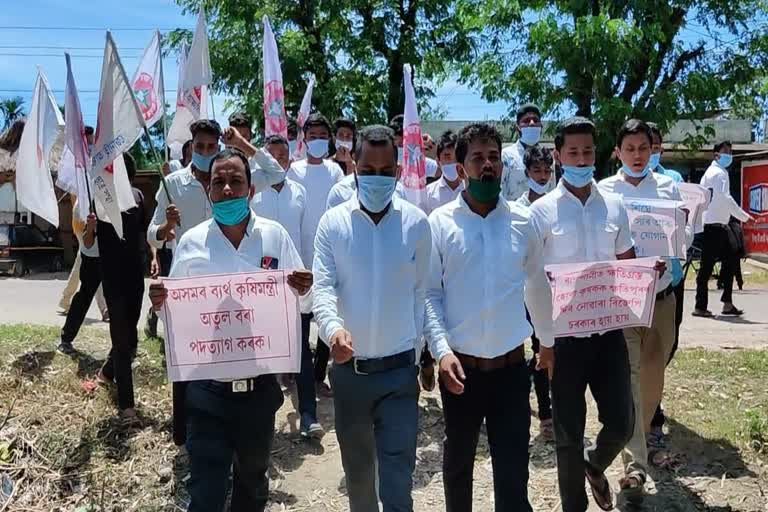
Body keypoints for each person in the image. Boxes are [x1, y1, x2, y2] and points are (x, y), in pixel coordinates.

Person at [149, 148, 313, 512]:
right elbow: (173, 320)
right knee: (205, 492)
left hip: (258, 394)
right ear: (208, 191)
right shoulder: (191, 243)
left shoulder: (276, 237)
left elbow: (301, 306)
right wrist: (161, 304)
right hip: (207, 391)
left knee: (253, 487)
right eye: (218, 182)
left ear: (251, 190)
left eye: (235, 181)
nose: (226, 189)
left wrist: (303, 289)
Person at [313, 124, 431, 512]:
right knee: (360, 480)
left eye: (385, 172)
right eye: (368, 170)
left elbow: (422, 294)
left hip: (399, 374)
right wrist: (333, 331)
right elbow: (324, 288)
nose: (376, 179)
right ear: (354, 169)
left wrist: (418, 352)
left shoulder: (416, 224)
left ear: (397, 172)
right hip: (351, 376)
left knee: (398, 481)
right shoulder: (332, 224)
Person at [526, 117, 638, 512]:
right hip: (564, 340)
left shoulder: (615, 205)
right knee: (567, 434)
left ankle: (596, 461)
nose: (581, 158)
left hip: (609, 333)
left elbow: (627, 259)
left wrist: (644, 273)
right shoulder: (540, 213)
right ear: (558, 156)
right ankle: (574, 505)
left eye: (587, 151)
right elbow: (532, 280)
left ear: (596, 154)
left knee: (622, 421)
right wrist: (544, 343)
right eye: (572, 152)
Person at [424, 122, 535, 512]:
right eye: (477, 158)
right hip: (461, 373)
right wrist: (440, 351)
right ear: (460, 166)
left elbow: (538, 287)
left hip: (512, 371)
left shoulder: (524, 221)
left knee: (512, 471)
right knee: (458, 468)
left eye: (493, 158)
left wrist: (549, 344)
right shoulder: (439, 224)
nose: (487, 165)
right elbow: (430, 296)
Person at [597, 119, 682, 502]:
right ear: (617, 152)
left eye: (642, 148)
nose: (636, 155)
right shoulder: (604, 191)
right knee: (630, 378)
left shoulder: (669, 187)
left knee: (653, 377)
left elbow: (684, 235)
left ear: (652, 150)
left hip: (662, 298)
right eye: (629, 149)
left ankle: (641, 436)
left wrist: (668, 257)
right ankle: (635, 467)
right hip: (624, 301)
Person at [250, 134, 323, 439]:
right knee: (261, 352)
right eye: (273, 155)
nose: (279, 161)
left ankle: (308, 415)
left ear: (290, 159)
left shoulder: (300, 193)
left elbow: (306, 237)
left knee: (301, 350)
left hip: (294, 281)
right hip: (259, 285)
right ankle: (261, 420)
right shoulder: (254, 191)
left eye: (283, 156)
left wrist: (309, 275)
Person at [287, 113, 345, 395]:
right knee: (299, 316)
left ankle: (319, 373)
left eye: (323, 136)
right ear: (304, 139)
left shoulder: (335, 170)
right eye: (313, 137)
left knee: (325, 310)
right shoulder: (294, 170)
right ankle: (296, 371)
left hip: (329, 250)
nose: (318, 141)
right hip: (300, 249)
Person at [95, 153, 146, 421]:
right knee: (122, 339)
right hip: (112, 276)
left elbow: (145, 233)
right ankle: (127, 405)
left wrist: (155, 255)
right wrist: (89, 229)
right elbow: (88, 240)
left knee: (130, 333)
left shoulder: (138, 197)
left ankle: (106, 373)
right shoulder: (99, 199)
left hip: (136, 276)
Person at [515, 145, 554, 441]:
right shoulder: (517, 209)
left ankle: (553, 411)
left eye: (546, 171)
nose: (542, 176)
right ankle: (544, 413)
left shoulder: (557, 205)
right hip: (527, 290)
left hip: (558, 290)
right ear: (526, 173)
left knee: (551, 349)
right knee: (537, 349)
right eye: (536, 171)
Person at [693, 140, 750, 317]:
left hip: (713, 225)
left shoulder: (708, 174)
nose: (729, 155)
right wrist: (744, 217)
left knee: (726, 261)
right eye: (726, 152)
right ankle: (704, 306)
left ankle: (724, 303)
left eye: (731, 152)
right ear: (716, 154)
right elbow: (726, 199)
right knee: (712, 266)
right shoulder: (720, 174)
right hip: (716, 227)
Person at [56, 202, 102, 355]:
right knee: (84, 296)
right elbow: (79, 230)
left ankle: (126, 344)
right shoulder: (84, 199)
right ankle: (66, 337)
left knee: (119, 298)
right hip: (91, 255)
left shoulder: (125, 195)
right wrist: (89, 228)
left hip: (114, 254)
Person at [501, 103, 554, 201]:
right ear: (518, 127)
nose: (532, 123)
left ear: (541, 126)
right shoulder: (506, 156)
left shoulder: (548, 157)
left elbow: (552, 190)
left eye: (536, 120)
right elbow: (500, 191)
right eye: (526, 121)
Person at [424, 130, 464, 215]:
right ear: (438, 162)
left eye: (456, 157)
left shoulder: (470, 191)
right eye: (447, 156)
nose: (453, 162)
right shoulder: (428, 193)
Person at [389, 114, 439, 182]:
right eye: (399, 145)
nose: (401, 149)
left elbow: (443, 172)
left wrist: (435, 149)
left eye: (404, 143)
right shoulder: (384, 161)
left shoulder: (420, 161)